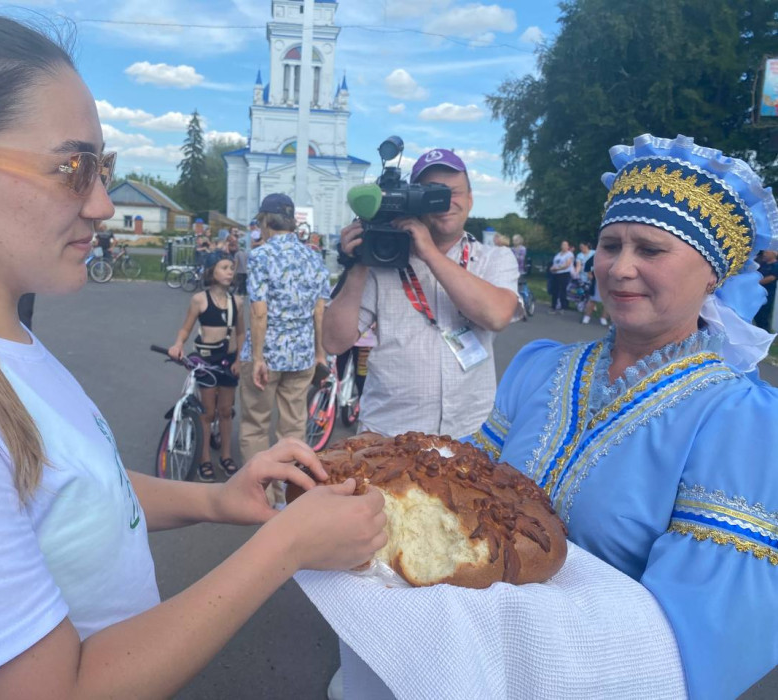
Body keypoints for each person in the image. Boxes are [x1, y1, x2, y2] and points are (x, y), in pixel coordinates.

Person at [0, 9, 387, 698]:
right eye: (72, 169)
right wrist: (286, 547)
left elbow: (73, 495)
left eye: (104, 169)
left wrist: (217, 499)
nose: (103, 204)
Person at [307, 134, 778, 700]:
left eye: (651, 250)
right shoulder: (542, 367)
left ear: (713, 274)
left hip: (591, 679)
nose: (620, 268)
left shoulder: (738, 421)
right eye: (610, 245)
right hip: (461, 658)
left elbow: (699, 632)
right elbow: (458, 491)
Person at [323, 148, 519, 437]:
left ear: (470, 199)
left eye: (454, 192)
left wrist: (429, 253)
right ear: (414, 201)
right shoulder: (382, 261)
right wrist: (357, 264)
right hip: (390, 435)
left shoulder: (494, 259)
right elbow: (333, 342)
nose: (446, 202)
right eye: (434, 194)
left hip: (469, 434)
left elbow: (497, 315)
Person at [239, 193, 330, 504]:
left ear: (265, 221)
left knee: (255, 426)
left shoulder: (260, 256)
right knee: (293, 429)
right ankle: (287, 495)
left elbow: (258, 311)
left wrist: (257, 357)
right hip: (302, 354)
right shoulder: (314, 257)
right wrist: (319, 352)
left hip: (266, 356)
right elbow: (320, 311)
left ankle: (260, 497)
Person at [168, 252, 245, 480]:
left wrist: (239, 359)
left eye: (231, 268)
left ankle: (226, 455)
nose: (230, 272)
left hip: (228, 360)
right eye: (224, 267)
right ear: (212, 272)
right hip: (207, 360)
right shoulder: (199, 300)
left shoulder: (237, 302)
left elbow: (241, 333)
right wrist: (178, 344)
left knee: (226, 411)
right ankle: (204, 459)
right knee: (208, 412)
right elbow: (186, 328)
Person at [754, 249, 778, 332]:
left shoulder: (775, 265)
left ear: (774, 253)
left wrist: (755, 282)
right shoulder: (762, 264)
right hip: (757, 294)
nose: (764, 254)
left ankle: (765, 332)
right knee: (757, 315)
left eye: (767, 252)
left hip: (768, 295)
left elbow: (771, 278)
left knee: (764, 316)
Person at [548, 239, 574, 312]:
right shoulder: (558, 255)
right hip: (556, 274)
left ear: (568, 246)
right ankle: (553, 306)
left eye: (565, 245)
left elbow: (567, 264)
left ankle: (563, 306)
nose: (564, 246)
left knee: (563, 290)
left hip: (564, 274)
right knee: (555, 290)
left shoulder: (569, 254)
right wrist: (552, 268)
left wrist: (558, 268)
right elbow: (554, 263)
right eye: (563, 245)